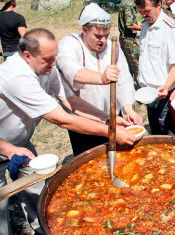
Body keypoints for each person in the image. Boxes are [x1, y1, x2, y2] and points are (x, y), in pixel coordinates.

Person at [0, 28, 139, 235]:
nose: (54, 64)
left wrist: (109, 120)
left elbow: (71, 102)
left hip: (21, 144)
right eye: (48, 59)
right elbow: (61, 119)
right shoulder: (17, 76)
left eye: (55, 57)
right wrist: (111, 133)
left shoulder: (47, 68)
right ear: (27, 55)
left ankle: (41, 230)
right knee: (1, 210)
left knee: (36, 193)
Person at [57, 3, 142, 155]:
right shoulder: (69, 44)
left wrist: (129, 109)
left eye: (106, 35)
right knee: (89, 160)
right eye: (97, 36)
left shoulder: (112, 46)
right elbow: (73, 72)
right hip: (84, 119)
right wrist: (102, 77)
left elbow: (123, 80)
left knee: (119, 156)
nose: (103, 40)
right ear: (84, 29)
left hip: (113, 116)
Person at [135, 0, 175, 135]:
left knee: (169, 137)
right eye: (140, 11)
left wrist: (167, 86)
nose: (143, 15)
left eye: (147, 11)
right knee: (157, 134)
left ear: (158, 5)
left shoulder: (170, 29)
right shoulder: (146, 25)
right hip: (149, 95)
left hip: (165, 97)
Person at [118, 0, 141, 84]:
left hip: (128, 39)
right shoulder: (128, 4)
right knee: (137, 69)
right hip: (128, 40)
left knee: (131, 68)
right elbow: (129, 25)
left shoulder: (125, 2)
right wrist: (145, 27)